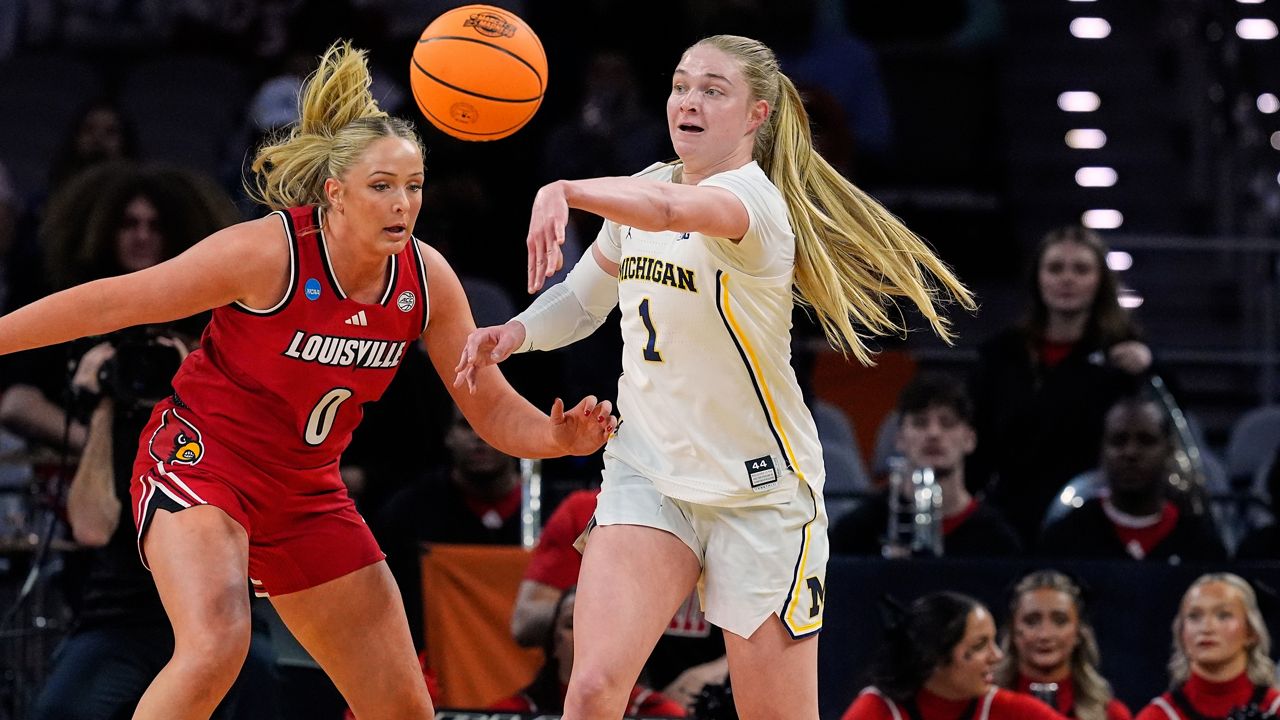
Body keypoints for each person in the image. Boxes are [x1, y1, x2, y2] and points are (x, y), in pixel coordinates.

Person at [0, 41, 615, 720]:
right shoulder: (268, 254)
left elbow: (491, 409)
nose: (401, 204)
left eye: (412, 187)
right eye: (381, 186)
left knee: (403, 708)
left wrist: (556, 438)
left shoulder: (425, 280)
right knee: (217, 643)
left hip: (305, 490)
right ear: (335, 192)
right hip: (203, 465)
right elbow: (111, 302)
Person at [456, 33, 974, 719]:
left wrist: (565, 189)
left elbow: (672, 213)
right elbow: (584, 299)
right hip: (649, 472)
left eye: (712, 89)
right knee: (590, 689)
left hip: (756, 491)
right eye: (679, 85)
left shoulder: (754, 205)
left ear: (757, 115)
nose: (688, 101)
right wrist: (514, 334)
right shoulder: (642, 187)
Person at [22, 162, 281, 720]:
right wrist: (105, 403)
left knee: (265, 695)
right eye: (128, 223)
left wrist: (198, 379)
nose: (141, 235)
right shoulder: (98, 362)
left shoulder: (222, 344)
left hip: (222, 609)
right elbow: (91, 527)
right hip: (119, 615)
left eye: (155, 225)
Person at [969, 225, 1154, 545]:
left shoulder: (1125, 356)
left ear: (1100, 282)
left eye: (1081, 269)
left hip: (1096, 523)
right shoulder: (1000, 354)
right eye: (1055, 268)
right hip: (1011, 518)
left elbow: (1160, 431)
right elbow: (976, 443)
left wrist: (1150, 368)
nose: (1067, 279)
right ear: (1038, 278)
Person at [510, 488, 729, 712]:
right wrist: (596, 605)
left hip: (698, 695)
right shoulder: (591, 511)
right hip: (611, 690)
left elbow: (762, 620)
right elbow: (525, 623)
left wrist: (719, 669)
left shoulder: (729, 510)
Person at [376, 404, 525, 648]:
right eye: (466, 425)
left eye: (493, 421)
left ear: (518, 433)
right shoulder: (406, 513)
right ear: (448, 436)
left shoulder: (554, 512)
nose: (479, 435)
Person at [829, 373, 1021, 557]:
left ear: (969, 439)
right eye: (920, 423)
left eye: (947, 423)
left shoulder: (997, 540)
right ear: (900, 439)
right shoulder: (856, 532)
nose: (934, 433)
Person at [1039, 394, 1226, 562]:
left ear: (1169, 451)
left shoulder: (1200, 543)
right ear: (1102, 450)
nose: (1131, 452)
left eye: (1146, 440)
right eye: (1119, 441)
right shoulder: (1066, 537)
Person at [842, 592, 1068, 720]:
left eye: (993, 641)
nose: (996, 656)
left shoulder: (1010, 710)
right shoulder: (877, 709)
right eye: (980, 645)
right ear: (936, 657)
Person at [491, 586, 688, 717]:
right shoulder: (511, 712)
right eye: (571, 624)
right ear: (555, 643)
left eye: (601, 623)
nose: (586, 633)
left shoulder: (660, 712)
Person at [1136, 573, 1280, 719]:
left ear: (1251, 631)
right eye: (1194, 616)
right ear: (1181, 632)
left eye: (1223, 615)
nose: (1206, 628)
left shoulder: (1276, 708)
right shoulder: (1156, 715)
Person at [995, 570, 1132, 720]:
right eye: (1031, 621)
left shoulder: (1111, 714)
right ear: (1013, 631)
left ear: (1079, 632)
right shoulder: (986, 708)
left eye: (1060, 621)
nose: (1044, 635)